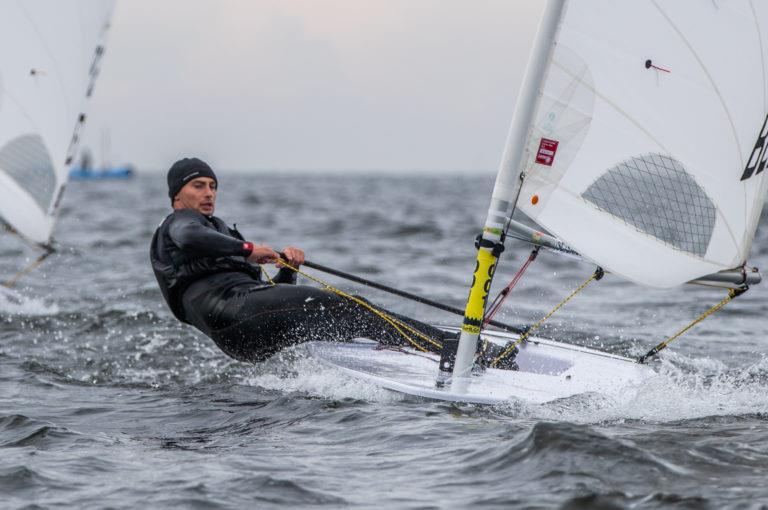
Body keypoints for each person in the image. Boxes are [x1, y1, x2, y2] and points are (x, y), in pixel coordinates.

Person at [149, 157, 466, 363]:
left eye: (213, 186)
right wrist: (247, 250)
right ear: (177, 194)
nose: (209, 193)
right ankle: (455, 351)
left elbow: (270, 297)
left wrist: (289, 270)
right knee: (352, 307)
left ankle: (412, 351)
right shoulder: (179, 223)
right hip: (232, 315)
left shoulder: (218, 231)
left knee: (345, 320)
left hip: (245, 335)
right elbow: (191, 237)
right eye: (199, 185)